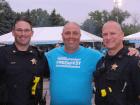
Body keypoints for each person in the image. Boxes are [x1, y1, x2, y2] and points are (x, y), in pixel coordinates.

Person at [45, 22, 102, 105]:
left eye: (75, 33)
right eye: (67, 33)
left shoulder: (95, 56)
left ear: (80, 35)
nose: (71, 36)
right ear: (62, 35)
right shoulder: (49, 56)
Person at [0, 16, 49, 105]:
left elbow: (50, 76)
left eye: (27, 30)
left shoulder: (40, 56)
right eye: (19, 30)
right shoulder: (2, 54)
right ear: (13, 32)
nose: (23, 34)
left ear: (32, 33)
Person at [94, 20, 140, 105]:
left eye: (112, 33)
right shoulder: (100, 63)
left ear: (122, 35)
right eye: (105, 34)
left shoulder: (134, 61)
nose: (108, 37)